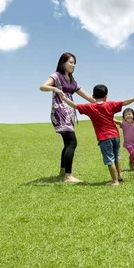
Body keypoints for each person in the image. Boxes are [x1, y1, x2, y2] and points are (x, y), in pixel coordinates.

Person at [58, 84, 134, 186]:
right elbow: (125, 102)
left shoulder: (90, 107)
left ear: (93, 96)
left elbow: (75, 106)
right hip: (115, 135)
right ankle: (119, 176)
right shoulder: (110, 104)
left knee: (109, 159)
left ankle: (114, 181)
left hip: (104, 138)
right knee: (116, 157)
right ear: (106, 96)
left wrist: (63, 98)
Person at [40, 52, 95, 183]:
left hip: (69, 113)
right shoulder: (56, 76)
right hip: (60, 112)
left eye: (74, 63)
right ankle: (69, 176)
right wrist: (55, 89)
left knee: (67, 144)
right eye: (70, 62)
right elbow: (42, 86)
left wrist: (98, 102)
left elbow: (86, 96)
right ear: (63, 63)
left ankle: (63, 172)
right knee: (72, 142)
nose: (73, 65)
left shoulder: (71, 80)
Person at [114, 104, 134, 171]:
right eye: (126, 115)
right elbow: (115, 121)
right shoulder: (123, 123)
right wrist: (108, 115)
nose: (127, 116)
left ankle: (132, 165)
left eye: (129, 114)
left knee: (133, 154)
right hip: (128, 143)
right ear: (124, 117)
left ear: (133, 115)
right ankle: (132, 163)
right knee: (133, 154)